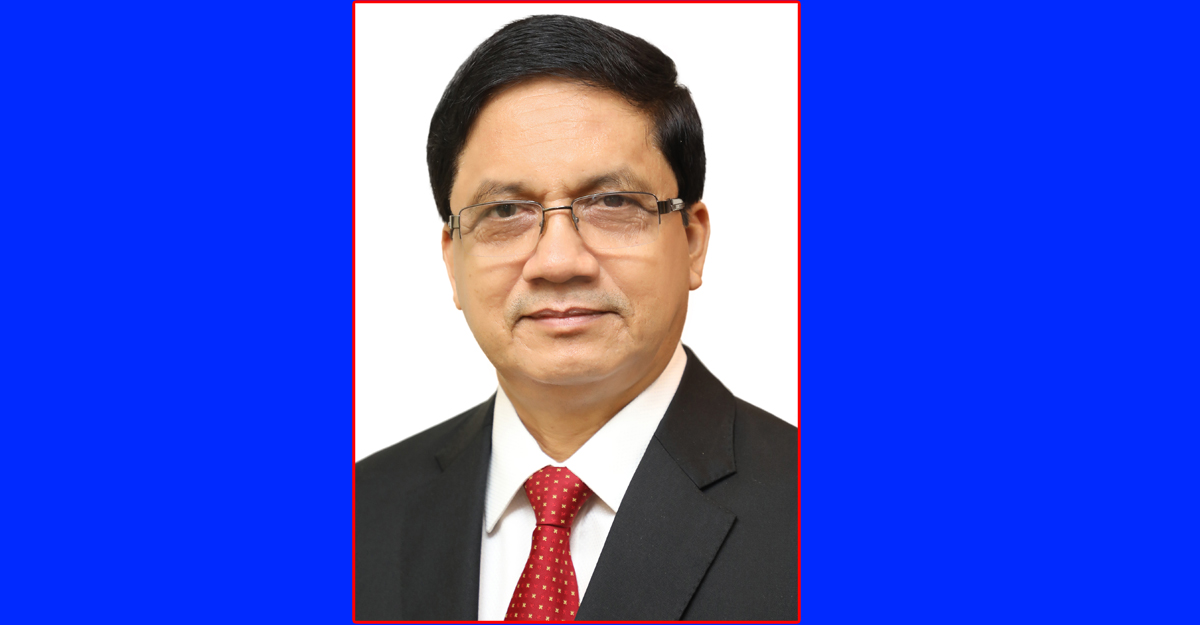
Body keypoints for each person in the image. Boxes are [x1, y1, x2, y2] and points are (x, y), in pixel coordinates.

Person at [355, 14, 797, 621]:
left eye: (613, 202)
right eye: (504, 211)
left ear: (693, 242)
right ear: (452, 260)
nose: (558, 262)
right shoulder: (359, 514)